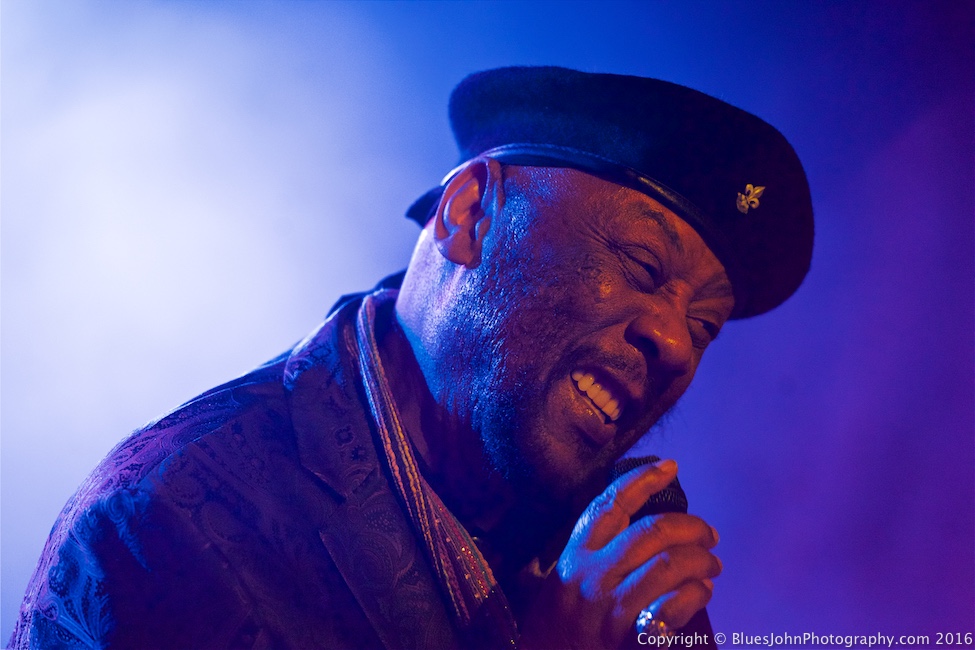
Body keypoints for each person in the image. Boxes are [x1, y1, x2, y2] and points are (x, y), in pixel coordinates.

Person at [11, 66, 813, 649]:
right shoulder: (167, 520)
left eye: (705, 325)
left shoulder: (605, 543)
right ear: (470, 213)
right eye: (642, 266)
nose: (675, 342)